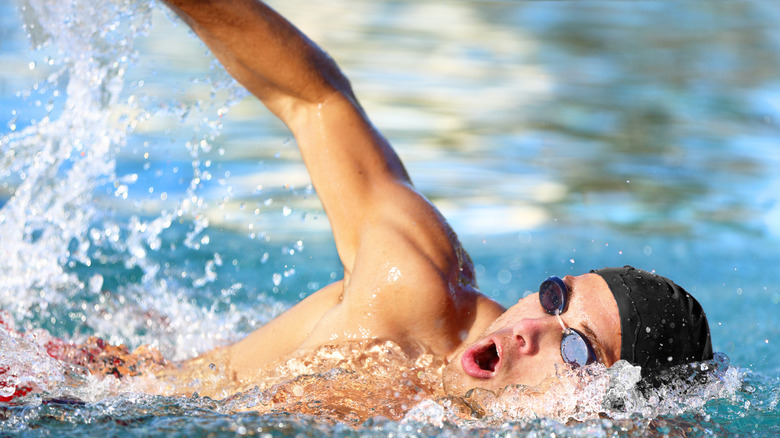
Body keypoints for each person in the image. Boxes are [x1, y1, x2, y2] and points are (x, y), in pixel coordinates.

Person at [158, 0, 713, 408]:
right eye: (554, 297)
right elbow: (314, 97)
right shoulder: (412, 295)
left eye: (576, 350)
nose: (530, 329)